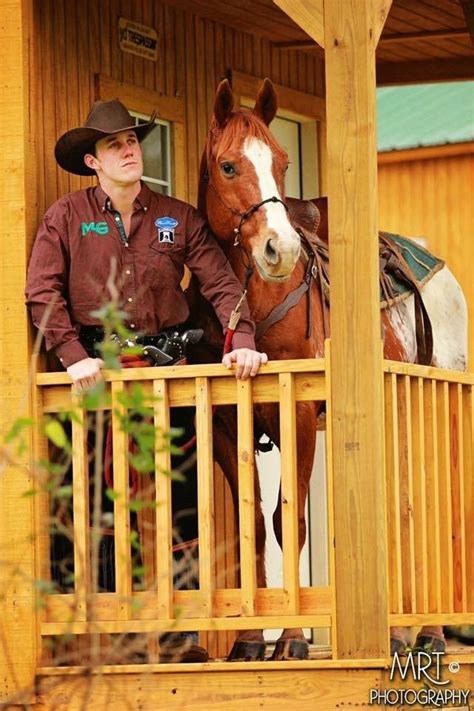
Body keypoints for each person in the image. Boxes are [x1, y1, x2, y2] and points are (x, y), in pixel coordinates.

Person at [26, 99, 268, 663]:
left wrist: (244, 339)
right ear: (93, 161)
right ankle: (95, 635)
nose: (129, 150)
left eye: (132, 140)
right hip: (92, 379)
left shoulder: (177, 218)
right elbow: (41, 291)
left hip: (169, 380)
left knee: (182, 503)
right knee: (91, 503)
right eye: (115, 145)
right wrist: (69, 355)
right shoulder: (65, 217)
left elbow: (222, 285)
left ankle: (179, 634)